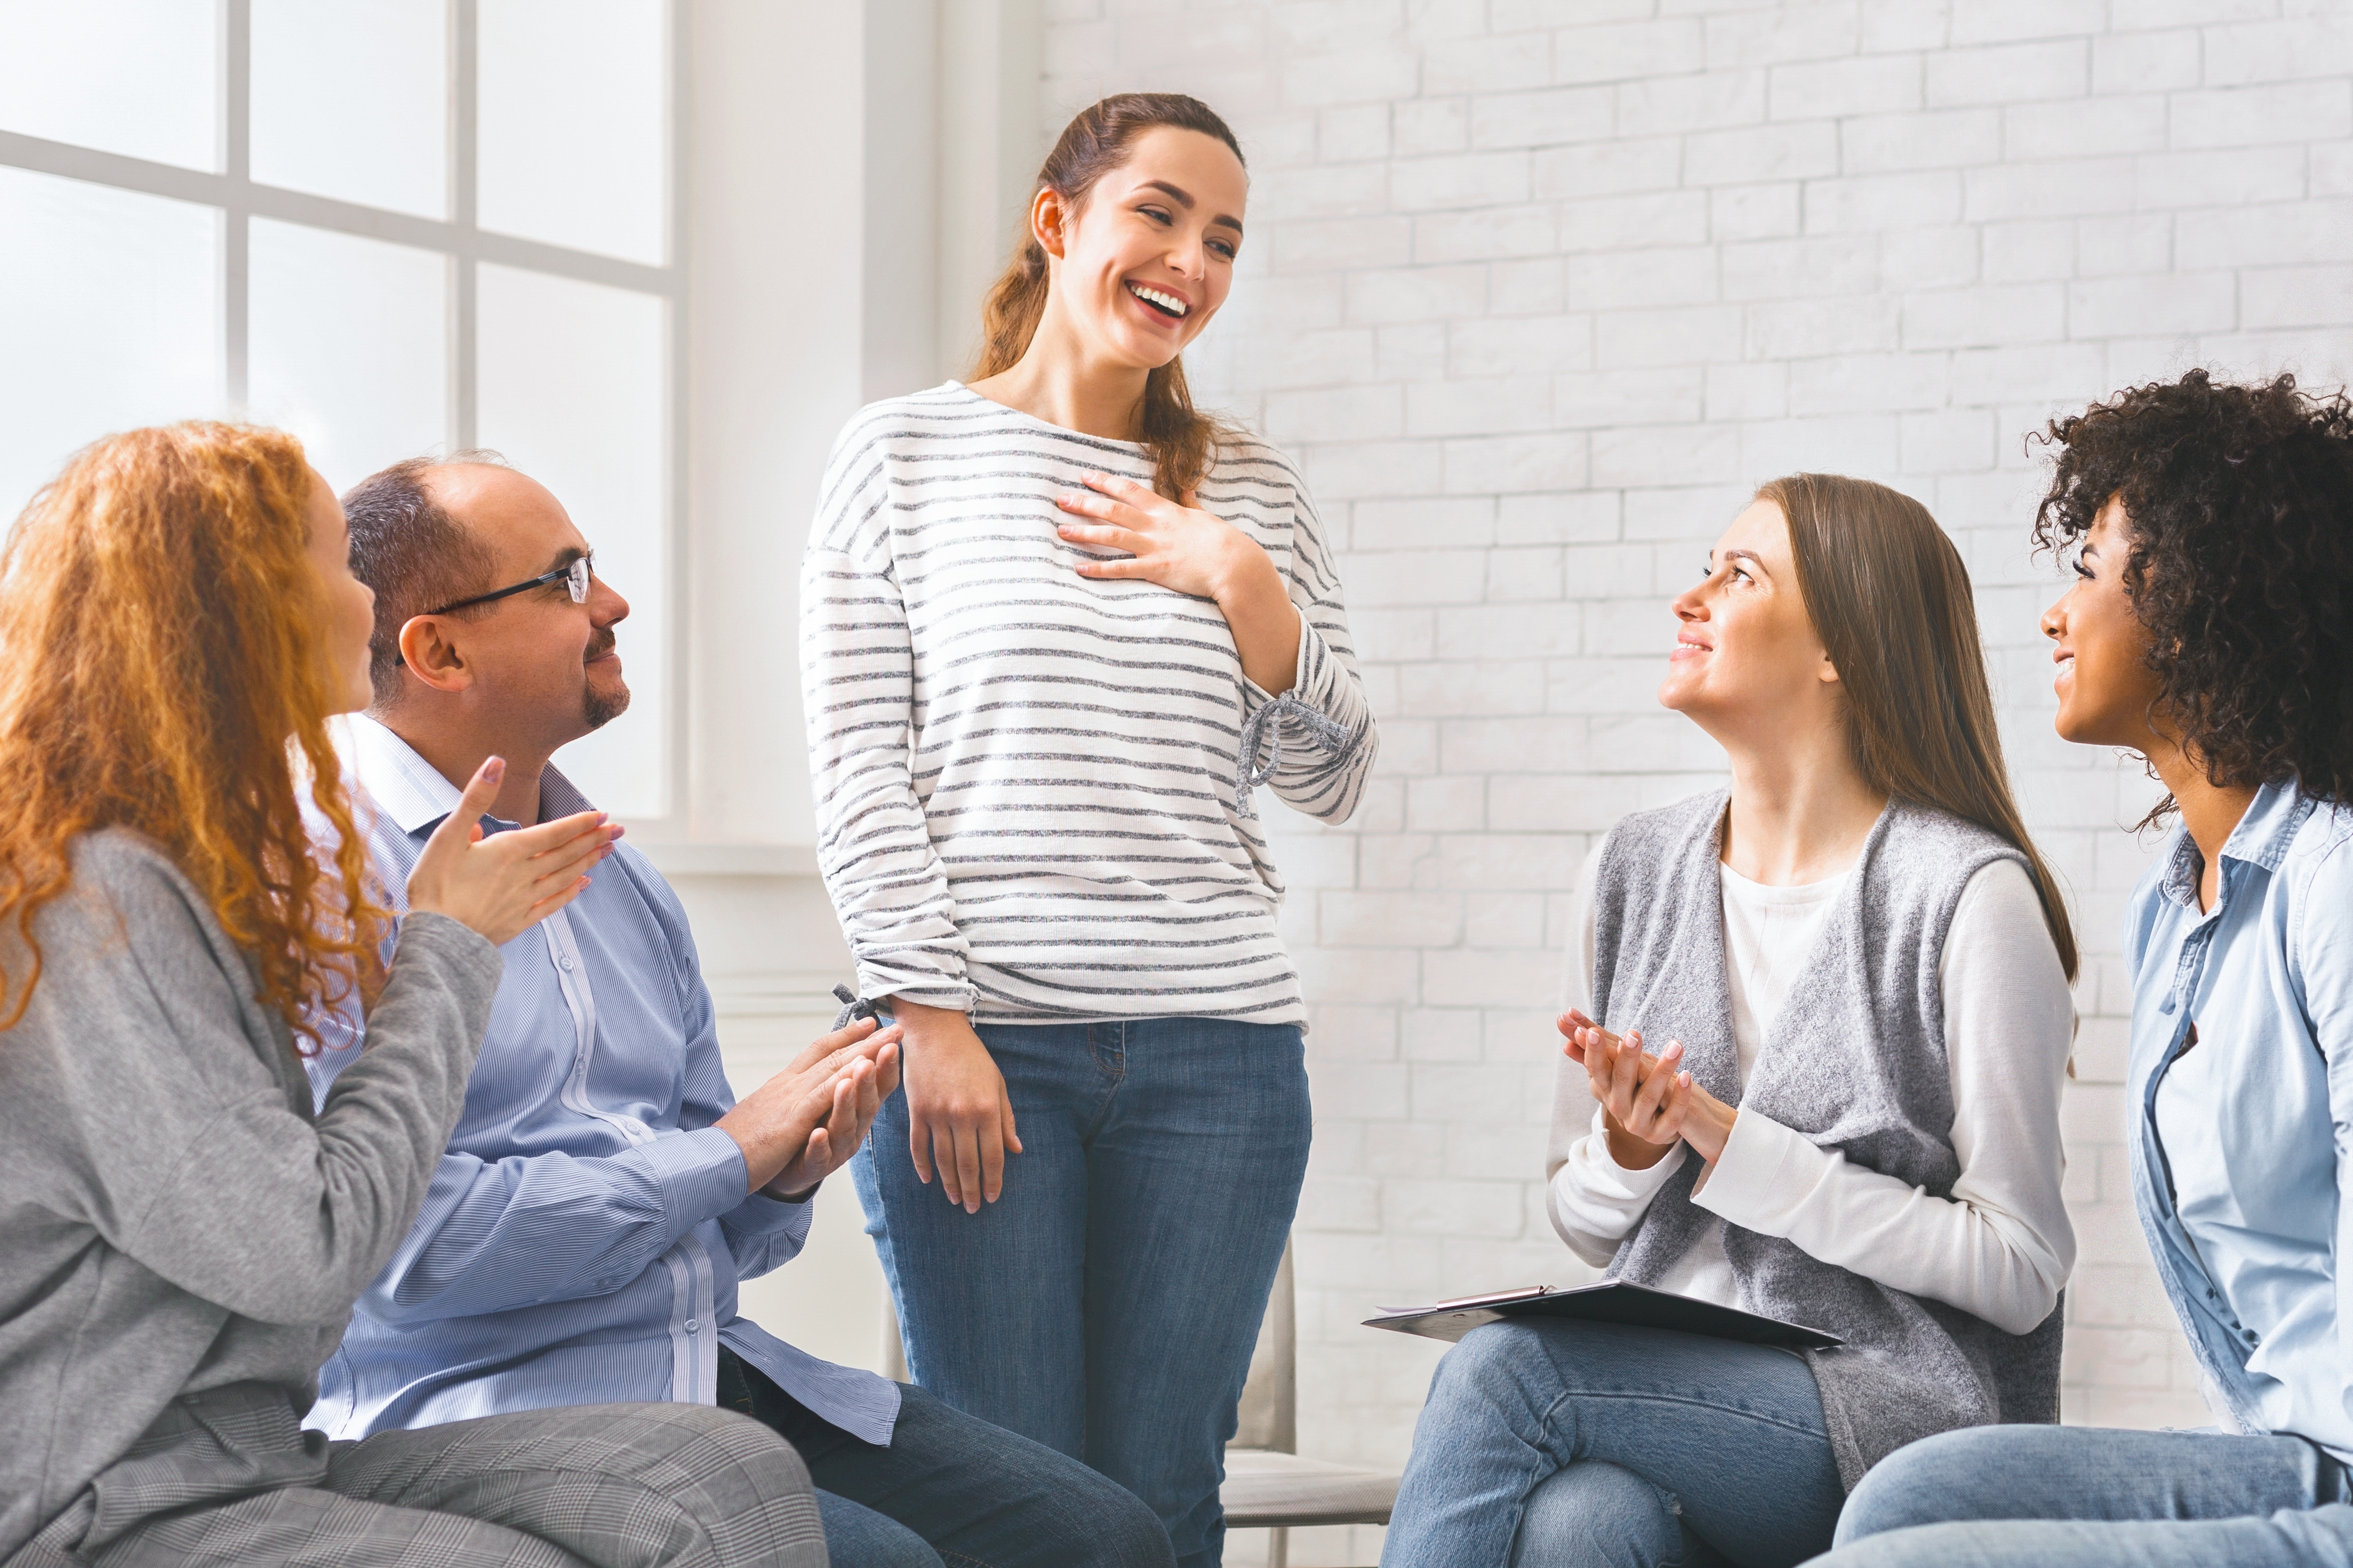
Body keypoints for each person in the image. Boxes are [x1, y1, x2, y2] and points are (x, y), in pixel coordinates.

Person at [312, 453, 1175, 1568]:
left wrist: (787, 1164)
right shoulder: (326, 882)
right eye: (567, 579)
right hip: (491, 1406)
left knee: (1105, 1539)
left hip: (702, 1362)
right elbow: (414, 1252)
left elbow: (720, 1221)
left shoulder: (625, 886)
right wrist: (732, 1150)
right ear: (437, 648)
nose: (614, 604)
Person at [0, 423, 829, 1568]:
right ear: (239, 606)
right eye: (340, 567)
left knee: (722, 1472)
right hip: (100, 1495)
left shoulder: (198, 864)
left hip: (255, 1449)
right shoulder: (96, 899)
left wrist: (765, 1162)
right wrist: (447, 949)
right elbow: (312, 1253)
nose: (369, 606)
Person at [801, 92, 1377, 1565]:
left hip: (1221, 1058)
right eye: (1161, 213)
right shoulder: (901, 458)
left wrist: (1242, 582)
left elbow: (1329, 775)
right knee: (1010, 1494)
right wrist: (927, 1015)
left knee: (1165, 1493)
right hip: (983, 1046)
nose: (1192, 258)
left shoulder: (1250, 494)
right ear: (1061, 223)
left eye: (1226, 239)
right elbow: (861, 772)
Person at [1380, 475, 2080, 1568]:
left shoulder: (1966, 897)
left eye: (1737, 575)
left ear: (1839, 648)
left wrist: (1745, 1152)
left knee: (1505, 1368)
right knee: (1583, 1523)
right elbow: (1584, 1219)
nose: (1689, 597)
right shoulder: (1631, 868)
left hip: (1887, 1412)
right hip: (1665, 1394)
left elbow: (2022, 1267)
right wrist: (1625, 1154)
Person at [1814, 374, 2353, 1567]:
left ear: (2201, 601)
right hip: (2286, 1445)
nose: (2056, 616)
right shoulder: (2176, 910)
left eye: (2090, 569)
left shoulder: (2334, 888)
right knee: (1907, 1499)